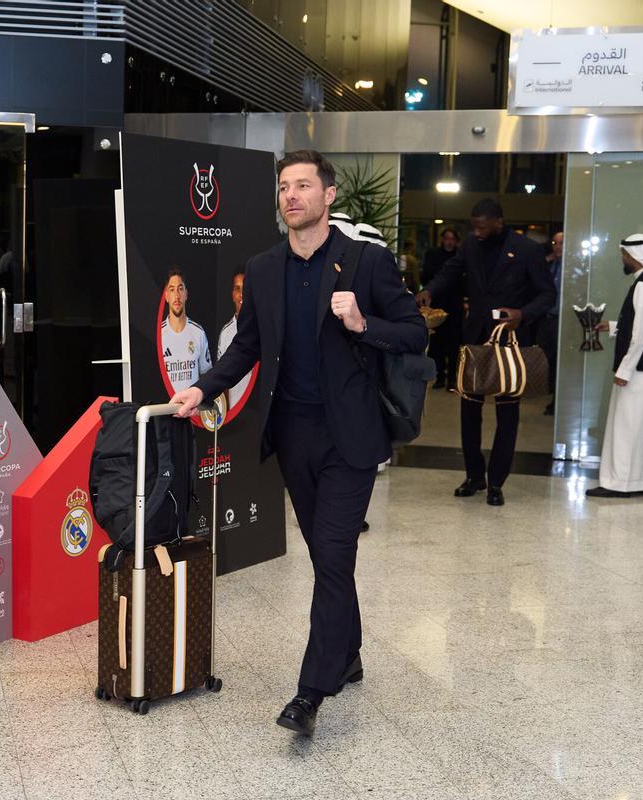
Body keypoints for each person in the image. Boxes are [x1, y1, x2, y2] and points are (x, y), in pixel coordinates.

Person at [170, 150, 426, 737]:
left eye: (303, 186)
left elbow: (414, 332)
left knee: (333, 556)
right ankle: (351, 652)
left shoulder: (366, 263)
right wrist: (201, 389)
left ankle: (311, 691)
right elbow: (246, 347)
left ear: (328, 196)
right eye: (284, 187)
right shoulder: (263, 268)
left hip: (351, 438)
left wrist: (364, 323)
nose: (291, 196)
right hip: (292, 435)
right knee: (327, 557)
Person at [416, 199, 555, 506]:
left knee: (507, 414)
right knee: (469, 411)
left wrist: (522, 313)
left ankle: (496, 482)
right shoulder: (470, 245)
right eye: (473, 226)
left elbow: (547, 294)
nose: (477, 232)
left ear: (498, 223)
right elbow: (450, 271)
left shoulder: (526, 250)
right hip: (476, 339)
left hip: (510, 339)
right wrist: (430, 290)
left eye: (482, 227)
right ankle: (474, 475)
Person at [585, 234, 643, 498]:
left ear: (634, 256)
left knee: (626, 427)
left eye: (624, 255)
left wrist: (625, 370)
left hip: (638, 369)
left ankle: (620, 484)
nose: (622, 259)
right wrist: (613, 327)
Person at [419, 228, 462, 389]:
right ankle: (440, 378)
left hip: (455, 304)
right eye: (447, 238)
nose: (449, 242)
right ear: (442, 239)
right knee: (437, 343)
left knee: (453, 343)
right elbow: (426, 275)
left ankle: (451, 378)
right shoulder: (433, 254)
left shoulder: (460, 256)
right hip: (436, 302)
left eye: (452, 239)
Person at [160, 268, 211, 392]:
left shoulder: (198, 333)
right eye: (172, 290)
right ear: (166, 296)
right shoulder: (158, 335)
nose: (177, 296)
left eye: (180, 289)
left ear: (186, 294)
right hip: (165, 409)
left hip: (193, 410)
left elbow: (207, 375)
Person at [536, 231, 563, 415]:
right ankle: (549, 389)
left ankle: (557, 401)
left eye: (561, 243)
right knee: (547, 358)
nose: (557, 246)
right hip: (546, 318)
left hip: (562, 319)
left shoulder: (572, 267)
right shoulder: (551, 263)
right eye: (555, 242)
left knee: (560, 361)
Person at [216, 270, 249, 410]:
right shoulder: (226, 333)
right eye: (237, 289)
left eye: (245, 289)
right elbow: (221, 378)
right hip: (235, 413)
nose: (241, 294)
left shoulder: (263, 327)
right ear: (232, 295)